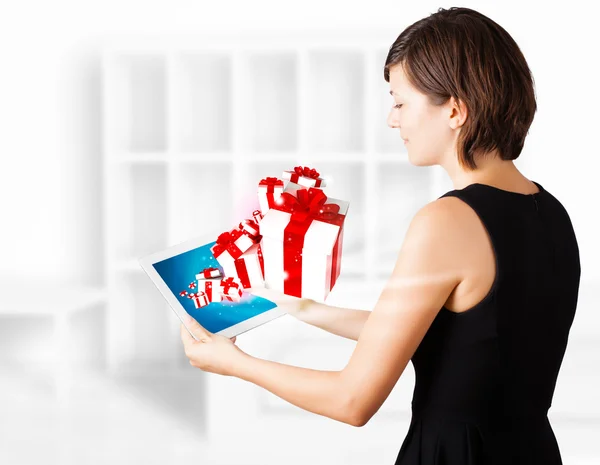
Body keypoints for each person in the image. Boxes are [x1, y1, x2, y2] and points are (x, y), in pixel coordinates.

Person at [179, 6, 581, 464]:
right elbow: (456, 339)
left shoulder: (447, 221)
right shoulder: (550, 212)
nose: (393, 120)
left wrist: (235, 365)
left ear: (454, 109)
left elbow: (352, 401)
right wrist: (305, 309)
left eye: (400, 102)